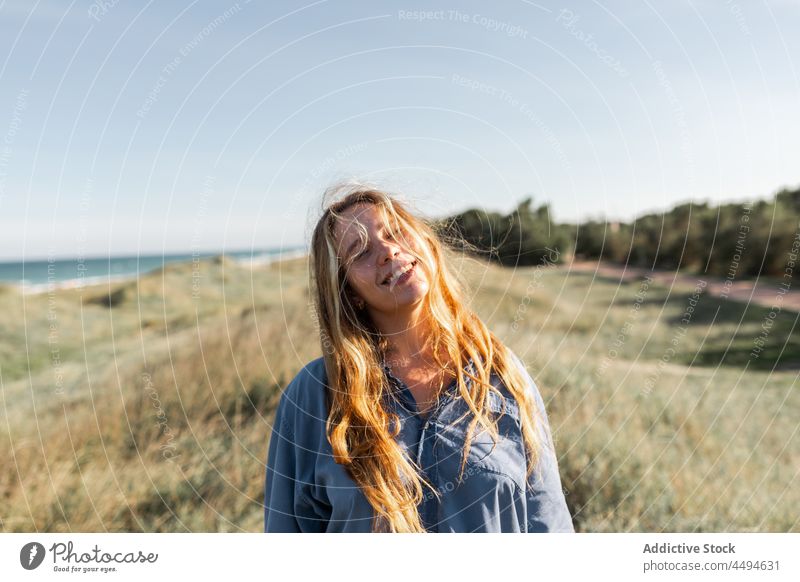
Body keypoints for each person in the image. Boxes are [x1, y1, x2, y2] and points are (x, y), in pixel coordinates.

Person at [263, 184, 574, 533]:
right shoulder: (314, 395)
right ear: (350, 292)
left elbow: (548, 521)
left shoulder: (501, 374)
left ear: (423, 240)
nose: (387, 250)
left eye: (395, 231)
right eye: (360, 251)